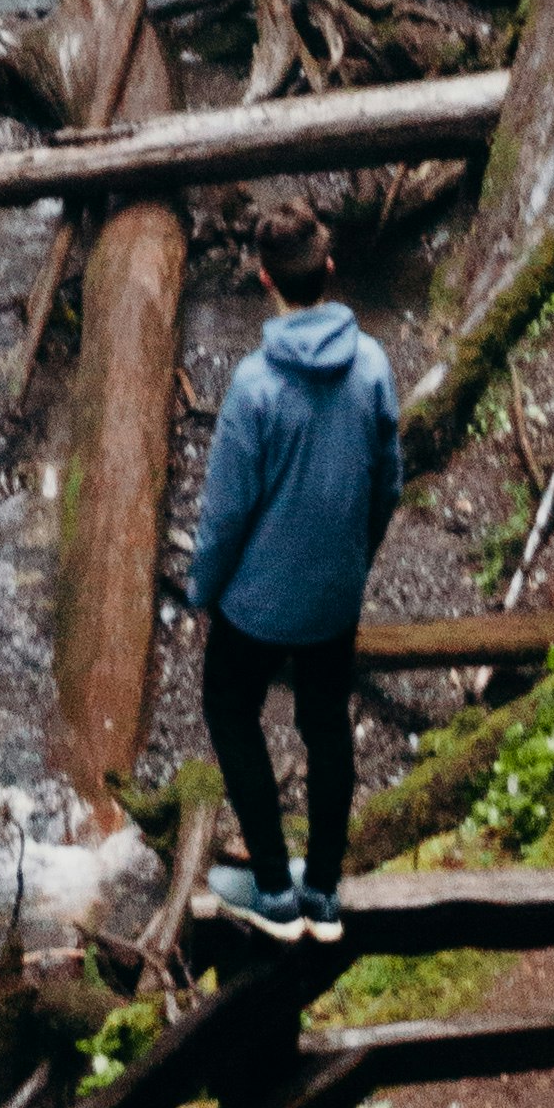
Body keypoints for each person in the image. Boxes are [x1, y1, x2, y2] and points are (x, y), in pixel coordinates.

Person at [184, 200, 402, 938]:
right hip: (333, 601)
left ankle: (275, 890)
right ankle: (326, 893)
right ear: (329, 270)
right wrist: (354, 561)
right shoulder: (372, 366)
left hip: (254, 604)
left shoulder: (254, 386)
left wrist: (202, 591)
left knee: (230, 712)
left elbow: (224, 514)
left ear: (263, 276)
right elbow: (388, 484)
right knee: (325, 727)